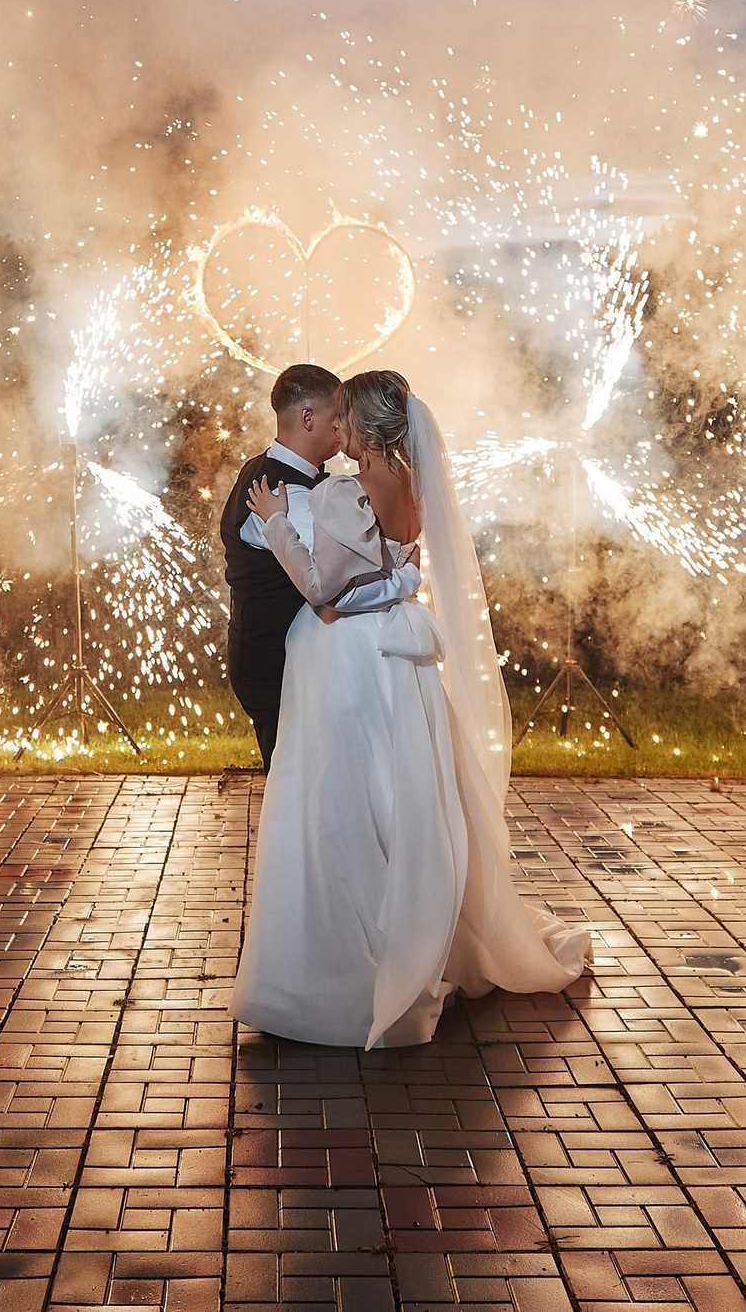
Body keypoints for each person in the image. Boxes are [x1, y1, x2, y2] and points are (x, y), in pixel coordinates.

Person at [231, 369, 590, 1048]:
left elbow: (320, 589)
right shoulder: (414, 489)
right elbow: (401, 576)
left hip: (343, 661)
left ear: (362, 428)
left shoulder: (344, 491)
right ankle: (413, 931)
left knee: (335, 803)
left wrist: (277, 522)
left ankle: (341, 963)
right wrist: (393, 580)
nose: (337, 430)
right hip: (401, 663)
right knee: (401, 798)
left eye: (345, 419)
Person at [218, 364, 419, 769]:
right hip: (278, 664)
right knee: (305, 791)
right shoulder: (283, 492)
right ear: (308, 418)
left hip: (321, 659)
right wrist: (407, 577)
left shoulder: (279, 476)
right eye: (337, 415)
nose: (343, 423)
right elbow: (328, 587)